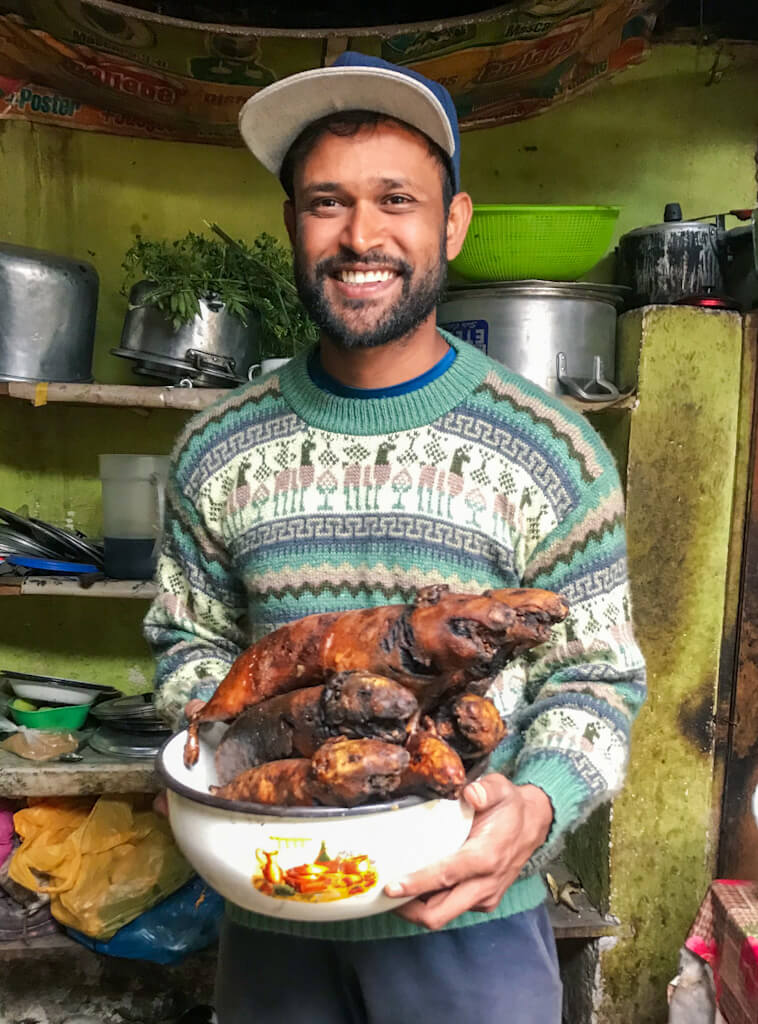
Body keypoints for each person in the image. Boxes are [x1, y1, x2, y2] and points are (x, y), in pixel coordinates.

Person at [144, 51, 646, 1024]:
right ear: (292, 224)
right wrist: (199, 757)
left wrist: (533, 807)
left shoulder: (552, 452)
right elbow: (188, 644)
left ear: (450, 222)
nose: (360, 234)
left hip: (469, 926)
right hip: (273, 912)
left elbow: (599, 679)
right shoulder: (217, 447)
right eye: (325, 202)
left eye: (395, 200)